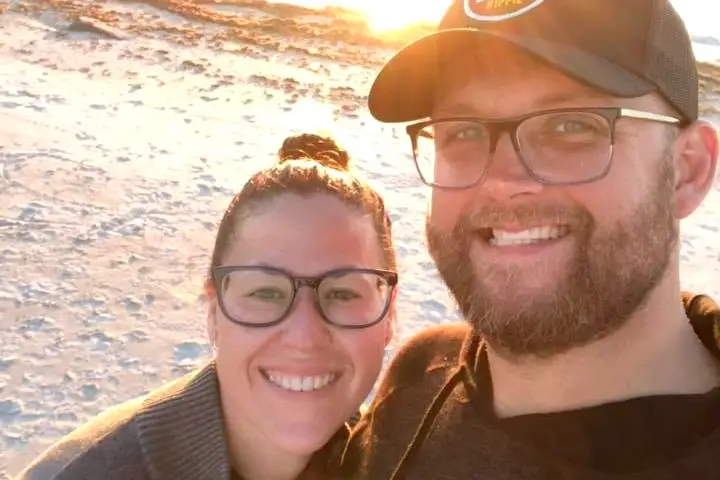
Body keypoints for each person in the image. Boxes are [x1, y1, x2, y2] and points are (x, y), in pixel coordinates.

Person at [342, 0, 720, 478]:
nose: (502, 179)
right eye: (463, 131)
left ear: (687, 171)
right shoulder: (417, 380)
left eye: (571, 125)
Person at [16, 133, 397, 480]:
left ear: (389, 315)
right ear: (214, 311)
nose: (304, 335)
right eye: (266, 293)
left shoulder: (400, 464)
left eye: (343, 294)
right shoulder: (85, 473)